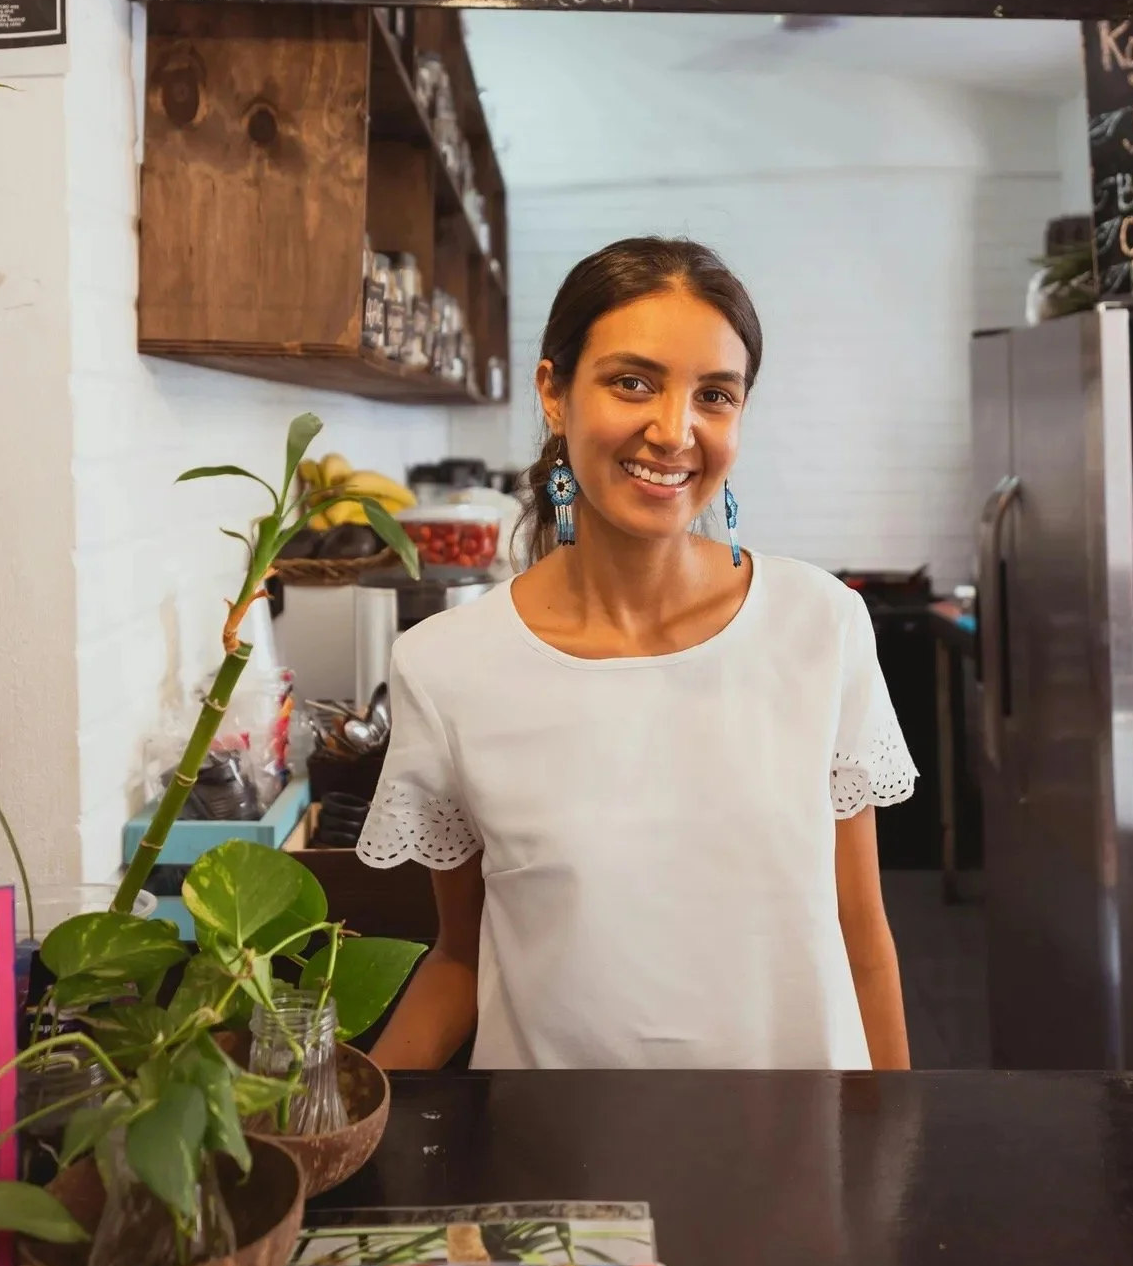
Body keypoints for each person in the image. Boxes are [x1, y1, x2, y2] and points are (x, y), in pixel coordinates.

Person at [359, 237, 916, 1072]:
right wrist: (341, 1129)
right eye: (633, 381)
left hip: (800, 1164)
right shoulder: (445, 668)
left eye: (715, 394)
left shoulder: (821, 626)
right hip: (557, 1178)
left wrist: (900, 1155)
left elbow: (860, 930)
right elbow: (464, 957)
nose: (673, 429)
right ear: (555, 393)